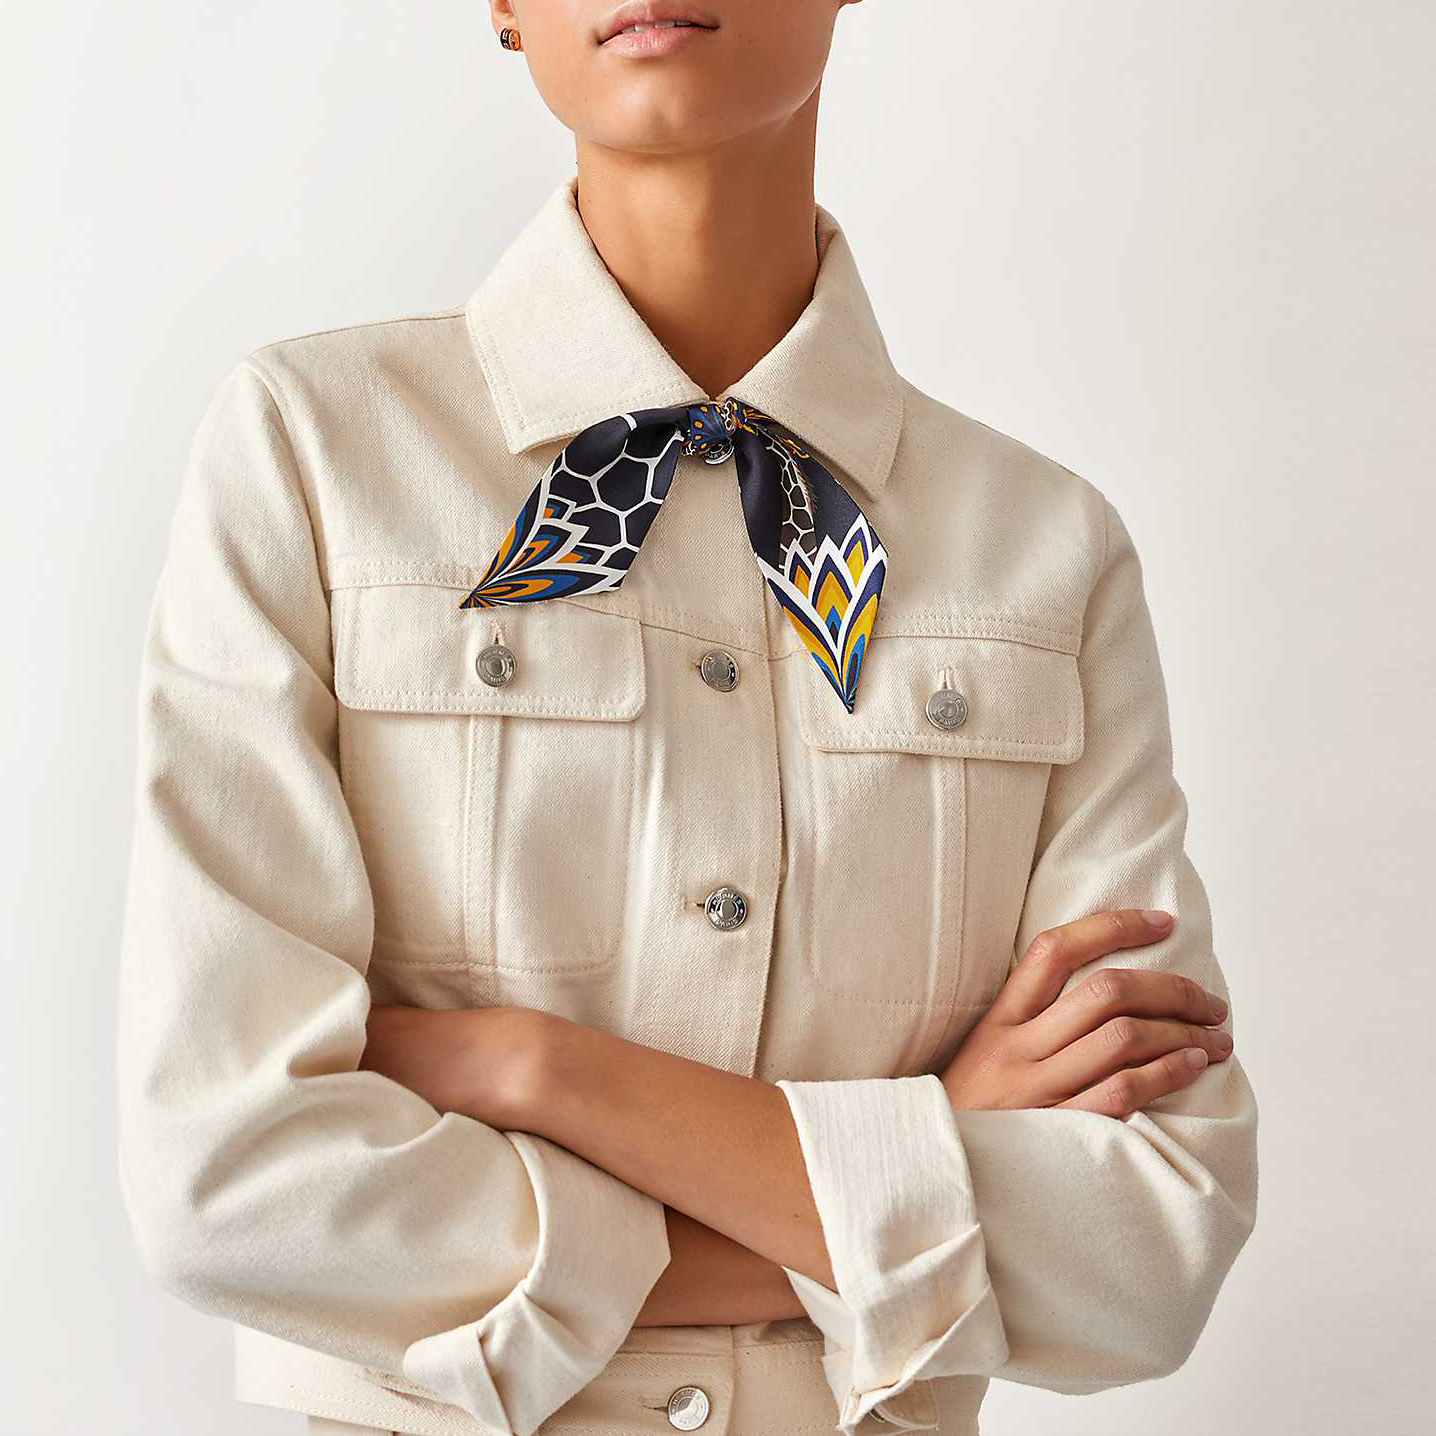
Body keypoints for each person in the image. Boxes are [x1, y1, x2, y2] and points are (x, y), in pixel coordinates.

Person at [115, 3, 1259, 1434]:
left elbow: (1146, 1251)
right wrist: (910, 1178)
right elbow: (230, 1185)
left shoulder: (1044, 551)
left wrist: (540, 1070)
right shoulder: (313, 455)